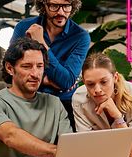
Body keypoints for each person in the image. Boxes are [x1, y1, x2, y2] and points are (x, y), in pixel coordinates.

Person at [0, 37, 72, 157]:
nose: (35, 74)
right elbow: (11, 135)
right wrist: (58, 151)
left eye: (40, 66)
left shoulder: (54, 104)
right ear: (10, 68)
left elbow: (69, 144)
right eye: (27, 66)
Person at [10, 0, 90, 132]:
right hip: (27, 101)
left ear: (73, 5)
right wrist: (47, 80)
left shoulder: (80, 36)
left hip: (63, 104)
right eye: (54, 6)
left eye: (66, 6)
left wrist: (41, 42)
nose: (60, 12)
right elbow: (11, 70)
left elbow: (66, 81)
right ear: (44, 5)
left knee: (65, 149)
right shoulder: (24, 27)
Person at [72, 53, 132, 157]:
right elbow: (86, 147)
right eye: (90, 84)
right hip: (107, 152)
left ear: (115, 77)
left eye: (103, 82)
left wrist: (117, 117)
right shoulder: (79, 99)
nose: (97, 89)